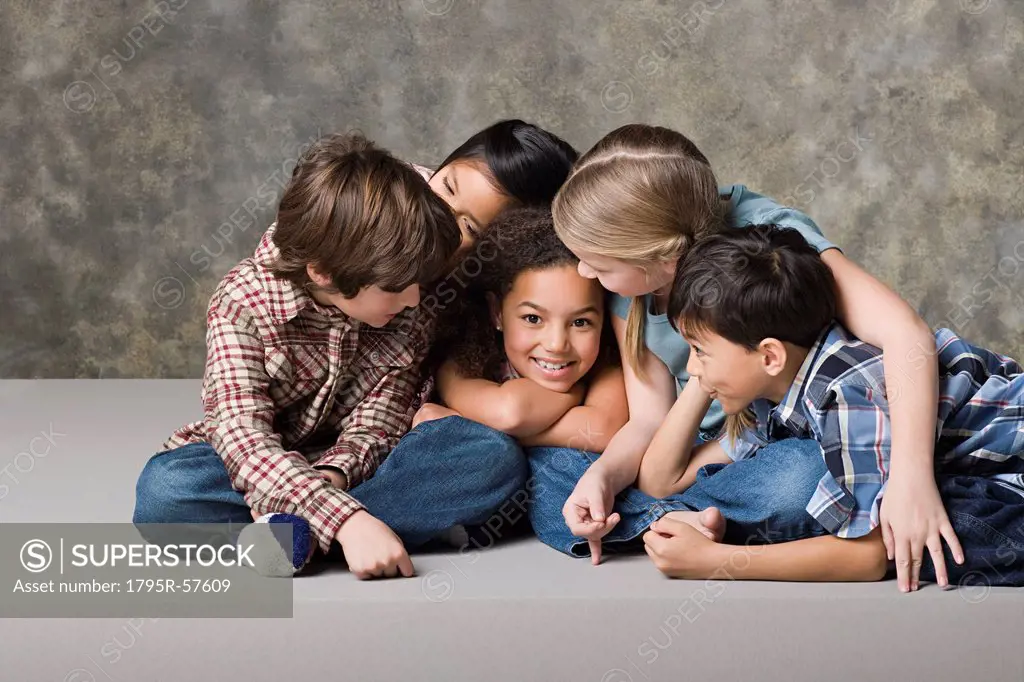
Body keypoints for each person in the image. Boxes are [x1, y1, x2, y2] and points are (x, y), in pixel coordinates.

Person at [549, 124, 961, 592]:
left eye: (599, 265)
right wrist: (602, 478)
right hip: (705, 450)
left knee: (799, 479)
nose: (584, 272)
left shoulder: (770, 242)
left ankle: (660, 525)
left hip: (803, 432)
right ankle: (672, 523)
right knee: (560, 477)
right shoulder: (631, 289)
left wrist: (912, 478)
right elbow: (648, 423)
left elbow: (905, 335)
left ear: (664, 260)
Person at [642, 225, 1024, 587]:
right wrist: (708, 375)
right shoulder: (773, 389)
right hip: (975, 468)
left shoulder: (842, 392)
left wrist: (714, 561)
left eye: (699, 351)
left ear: (770, 356)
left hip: (1011, 469)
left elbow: (870, 556)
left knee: (929, 534)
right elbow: (661, 481)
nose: (690, 368)